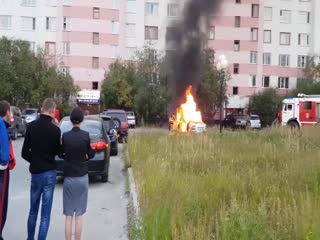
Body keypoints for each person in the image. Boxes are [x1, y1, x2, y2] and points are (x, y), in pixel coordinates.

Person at [21, 98, 61, 240]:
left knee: (33, 211)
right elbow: (58, 152)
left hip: (36, 173)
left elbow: (24, 153)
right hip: (49, 173)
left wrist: (35, 160)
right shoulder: (56, 130)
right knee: (45, 215)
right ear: (52, 111)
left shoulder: (31, 127)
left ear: (42, 108)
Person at [60, 107, 94, 240]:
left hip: (69, 177)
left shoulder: (66, 136)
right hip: (82, 177)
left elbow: (61, 152)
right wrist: (86, 156)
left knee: (69, 215)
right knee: (79, 215)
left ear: (70, 120)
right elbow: (90, 154)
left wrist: (66, 157)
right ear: (82, 120)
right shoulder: (85, 135)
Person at [0, 101, 16, 240]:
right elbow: (5, 153)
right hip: (1, 172)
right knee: (1, 205)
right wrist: (4, 164)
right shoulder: (1, 124)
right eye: (10, 111)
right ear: (6, 112)